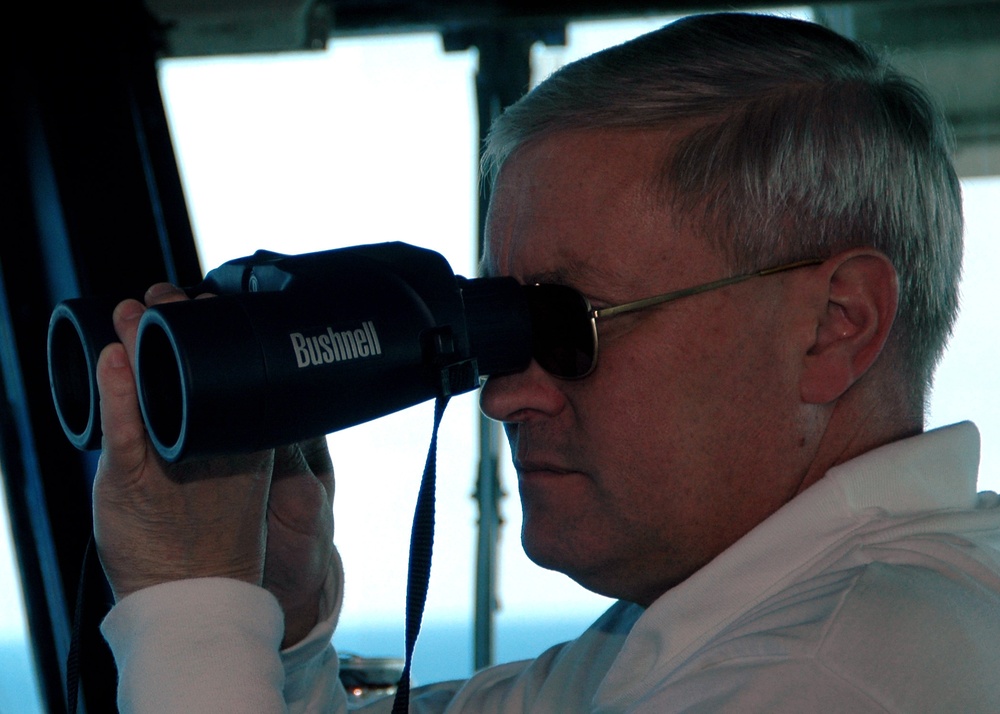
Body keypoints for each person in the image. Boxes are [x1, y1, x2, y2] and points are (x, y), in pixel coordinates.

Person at [92, 10, 1000, 713]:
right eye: (497, 319)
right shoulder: (726, 618)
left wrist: (190, 608)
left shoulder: (837, 670)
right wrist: (276, 617)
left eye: (566, 322)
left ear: (836, 324)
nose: (504, 394)